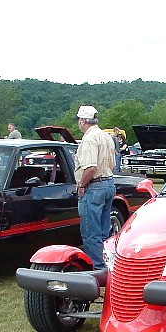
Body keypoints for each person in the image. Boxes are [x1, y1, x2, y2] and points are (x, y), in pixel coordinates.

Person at [74, 105, 116, 270]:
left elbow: (90, 168)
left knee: (91, 233)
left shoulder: (90, 138)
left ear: (83, 121)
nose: (78, 123)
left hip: (94, 186)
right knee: (103, 232)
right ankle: (107, 266)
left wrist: (82, 186)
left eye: (79, 120)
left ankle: (96, 269)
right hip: (108, 183)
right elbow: (112, 166)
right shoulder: (106, 136)